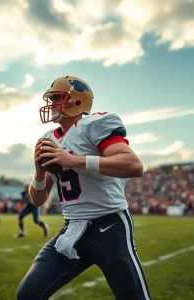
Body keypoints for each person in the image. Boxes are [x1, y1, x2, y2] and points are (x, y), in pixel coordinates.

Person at [16, 76, 151, 300]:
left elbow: (133, 165)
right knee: (28, 294)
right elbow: (37, 200)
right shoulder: (48, 139)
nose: (52, 104)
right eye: (52, 98)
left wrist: (73, 160)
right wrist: (39, 173)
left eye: (59, 98)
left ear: (78, 102)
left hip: (109, 225)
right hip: (72, 229)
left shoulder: (94, 124)